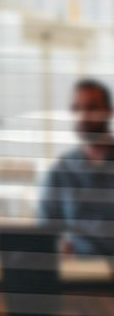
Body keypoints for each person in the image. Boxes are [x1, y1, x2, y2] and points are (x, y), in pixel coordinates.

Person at [39, 78, 114, 255]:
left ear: (109, 112)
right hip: (78, 275)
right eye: (77, 108)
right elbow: (45, 232)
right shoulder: (60, 171)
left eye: (91, 108)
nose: (83, 116)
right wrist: (58, 247)